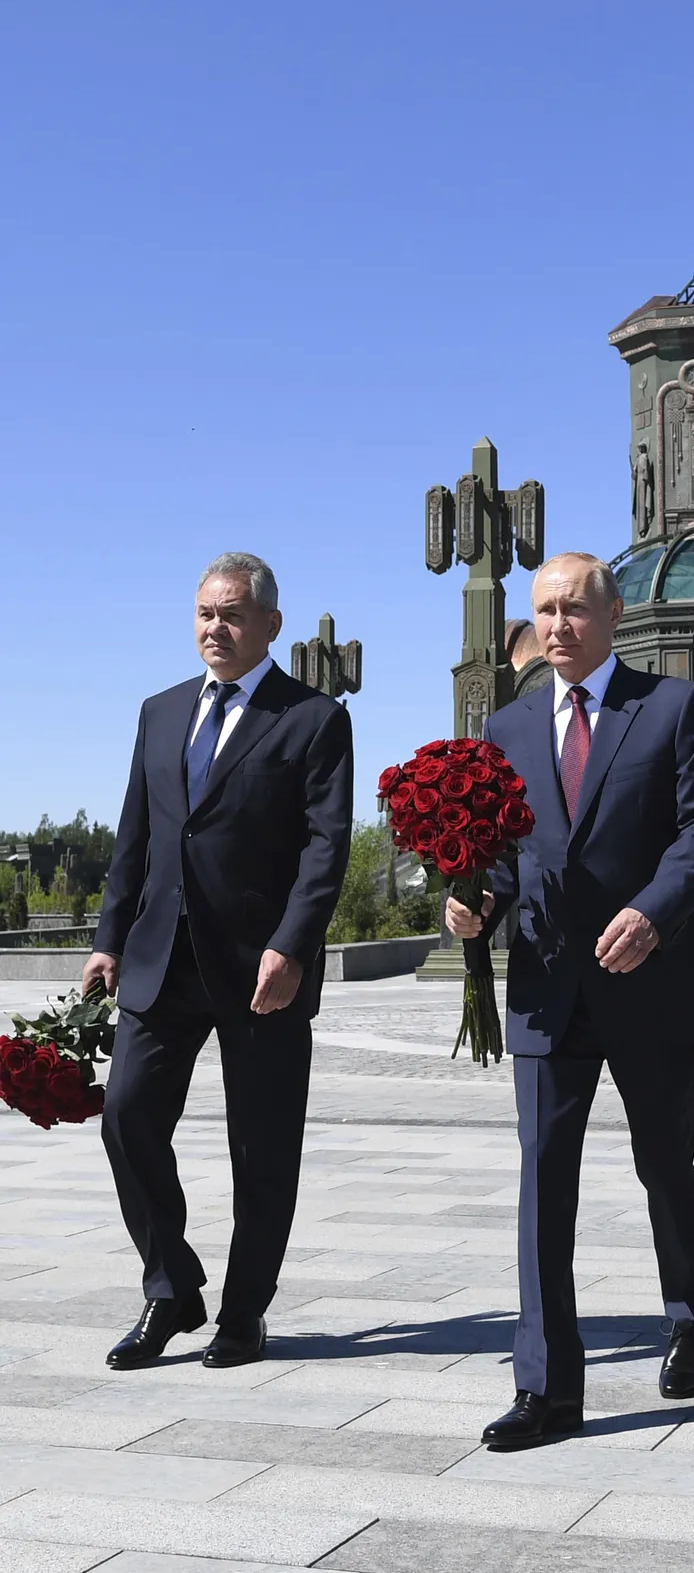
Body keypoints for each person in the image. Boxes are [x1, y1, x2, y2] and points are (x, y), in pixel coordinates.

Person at [446, 550, 694, 1449]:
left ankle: (690, 1315)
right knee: (544, 1184)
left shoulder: (674, 707)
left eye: (575, 607)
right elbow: (498, 853)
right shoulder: (508, 728)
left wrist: (654, 912)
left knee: (665, 1165)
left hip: (656, 981)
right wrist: (473, 899)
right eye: (545, 611)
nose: (559, 625)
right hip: (547, 987)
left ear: (613, 614)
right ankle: (547, 1389)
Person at [83, 554, 353, 1371]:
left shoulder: (312, 718)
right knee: (127, 1116)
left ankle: (244, 1313)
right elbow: (136, 836)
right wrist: (107, 937)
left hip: (261, 969)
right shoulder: (160, 712)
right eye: (205, 613)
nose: (215, 628)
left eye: (232, 614)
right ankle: (171, 1287)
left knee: (262, 1149)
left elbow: (325, 846)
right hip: (160, 960)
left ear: (270, 624)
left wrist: (293, 945)